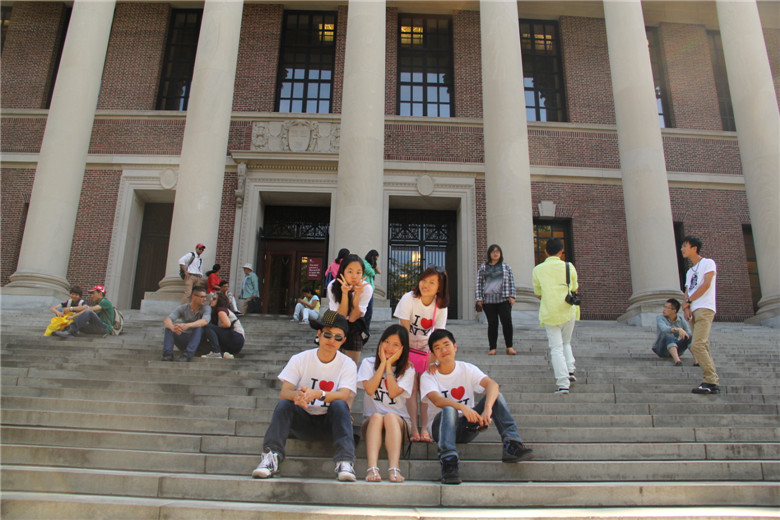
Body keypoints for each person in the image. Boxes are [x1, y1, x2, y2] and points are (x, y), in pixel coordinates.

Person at [251, 310, 358, 481]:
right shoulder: (300, 359)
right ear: (319, 334)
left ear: (343, 341)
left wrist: (318, 394)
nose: (332, 341)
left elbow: (344, 395)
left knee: (340, 404)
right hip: (303, 420)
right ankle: (271, 456)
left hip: (330, 424)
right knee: (284, 404)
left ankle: (345, 460)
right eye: (327, 335)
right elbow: (284, 392)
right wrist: (297, 396)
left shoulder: (348, 364)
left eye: (338, 337)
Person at [421, 329, 534, 485]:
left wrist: (487, 408)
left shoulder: (467, 369)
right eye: (438, 348)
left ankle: (512, 444)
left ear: (455, 347)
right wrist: (463, 408)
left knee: (495, 396)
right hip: (440, 428)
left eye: (446, 345)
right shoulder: (428, 376)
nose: (443, 350)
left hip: (466, 427)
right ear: (433, 354)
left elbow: (492, 385)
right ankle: (448, 462)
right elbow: (437, 400)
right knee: (449, 409)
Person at [393, 266, 449, 443]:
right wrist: (404, 358)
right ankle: (413, 428)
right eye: (424, 280)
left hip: (426, 350)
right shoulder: (409, 299)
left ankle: (425, 427)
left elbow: (438, 336)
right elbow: (403, 331)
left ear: (439, 287)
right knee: (411, 387)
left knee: (425, 387)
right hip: (407, 347)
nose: (425, 285)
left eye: (432, 282)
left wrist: (433, 361)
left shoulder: (440, 306)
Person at [357, 324, 415, 482]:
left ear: (403, 348)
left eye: (395, 345)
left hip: (399, 422)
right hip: (371, 422)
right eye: (387, 342)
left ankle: (394, 469)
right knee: (377, 416)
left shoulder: (408, 370)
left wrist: (389, 366)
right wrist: (382, 363)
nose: (389, 348)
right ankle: (372, 469)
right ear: (380, 342)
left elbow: (393, 392)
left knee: (389, 416)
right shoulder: (368, 363)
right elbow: (370, 389)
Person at [532, 238, 579, 395]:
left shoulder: (538, 269)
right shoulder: (569, 266)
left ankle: (563, 383)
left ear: (546, 252)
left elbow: (538, 292)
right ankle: (570, 369)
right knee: (566, 342)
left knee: (556, 348)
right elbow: (574, 288)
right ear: (561, 251)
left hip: (549, 312)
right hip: (568, 310)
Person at [681, 236, 720, 395]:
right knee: (703, 345)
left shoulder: (708, 263)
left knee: (697, 345)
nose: (682, 249)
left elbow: (706, 284)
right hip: (693, 310)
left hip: (705, 308)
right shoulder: (690, 271)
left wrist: (689, 301)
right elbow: (687, 290)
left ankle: (711, 381)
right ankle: (711, 381)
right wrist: (686, 307)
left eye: (685, 246)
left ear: (694, 248)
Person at [327, 253, 373, 365]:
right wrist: (344, 293)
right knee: (332, 363)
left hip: (355, 324)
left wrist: (357, 295)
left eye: (358, 272)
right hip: (335, 321)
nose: (354, 276)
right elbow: (341, 316)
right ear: (343, 271)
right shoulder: (333, 286)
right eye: (350, 271)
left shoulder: (366, 288)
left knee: (351, 365)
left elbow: (352, 318)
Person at [475, 244, 517, 355]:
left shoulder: (506, 267)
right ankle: (492, 347)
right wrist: (479, 298)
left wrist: (512, 296)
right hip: (488, 301)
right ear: (489, 254)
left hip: (504, 299)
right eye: (493, 251)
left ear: (500, 253)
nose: (495, 253)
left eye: (497, 251)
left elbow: (511, 282)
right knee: (492, 323)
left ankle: (509, 346)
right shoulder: (483, 267)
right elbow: (479, 283)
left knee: (507, 322)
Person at [162, 286, 211, 362]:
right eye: (202, 297)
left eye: (205, 297)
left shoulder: (206, 308)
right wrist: (173, 328)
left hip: (199, 341)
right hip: (185, 338)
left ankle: (187, 355)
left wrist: (187, 325)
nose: (204, 299)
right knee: (168, 328)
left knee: (199, 327)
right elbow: (167, 320)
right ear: (193, 297)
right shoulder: (182, 308)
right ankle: (167, 355)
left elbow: (205, 321)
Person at [202, 292, 245, 360]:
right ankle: (223, 354)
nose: (211, 300)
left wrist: (217, 327)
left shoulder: (221, 310)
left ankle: (216, 352)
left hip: (235, 337)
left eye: (214, 299)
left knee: (208, 327)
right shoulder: (219, 311)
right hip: (236, 344)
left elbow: (227, 324)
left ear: (219, 301)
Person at [652, 299, 692, 366]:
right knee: (668, 335)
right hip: (661, 349)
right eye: (664, 307)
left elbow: (688, 332)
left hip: (675, 348)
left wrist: (685, 335)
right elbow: (664, 329)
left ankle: (697, 361)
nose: (664, 309)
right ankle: (677, 361)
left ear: (674, 310)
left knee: (690, 336)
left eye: (667, 308)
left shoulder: (681, 319)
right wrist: (678, 329)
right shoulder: (660, 317)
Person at [362, 249, 381, 330]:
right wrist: (374, 263)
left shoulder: (369, 265)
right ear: (372, 257)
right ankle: (364, 328)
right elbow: (372, 273)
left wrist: (374, 264)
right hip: (364, 290)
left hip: (369, 290)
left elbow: (379, 272)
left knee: (369, 311)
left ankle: (366, 329)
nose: (376, 260)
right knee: (367, 311)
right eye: (376, 258)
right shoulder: (365, 263)